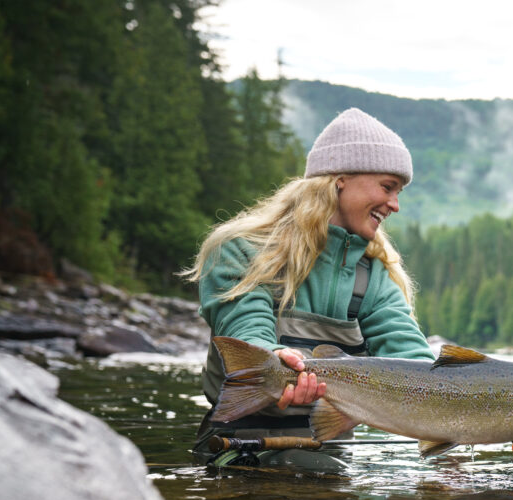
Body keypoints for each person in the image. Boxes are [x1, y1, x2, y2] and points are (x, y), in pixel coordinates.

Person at [182, 108, 434, 470]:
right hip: (239, 448)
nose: (395, 205)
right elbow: (248, 334)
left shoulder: (375, 275)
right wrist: (276, 362)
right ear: (341, 179)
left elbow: (413, 362)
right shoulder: (240, 250)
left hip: (330, 458)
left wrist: (496, 418)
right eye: (388, 187)